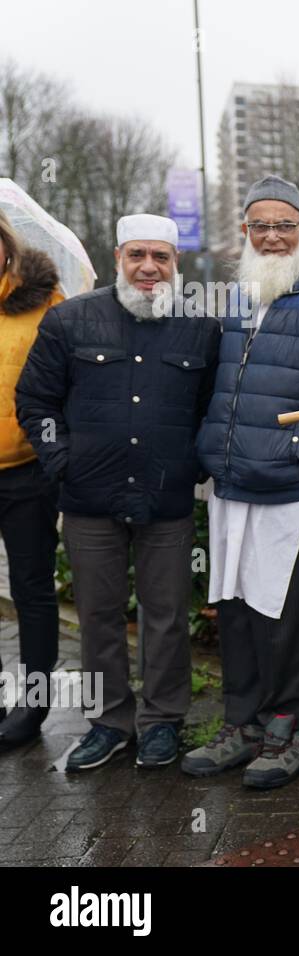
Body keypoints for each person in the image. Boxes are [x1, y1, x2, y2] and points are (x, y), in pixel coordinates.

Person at [184, 175, 299, 789]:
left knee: (287, 622)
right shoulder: (237, 292)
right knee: (235, 614)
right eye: (259, 224)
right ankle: (242, 725)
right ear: (245, 231)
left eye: (283, 224)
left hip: (293, 495)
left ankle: (294, 733)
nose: (270, 235)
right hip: (232, 489)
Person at [16, 214, 220, 770]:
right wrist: (63, 462)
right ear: (118, 258)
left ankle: (162, 722)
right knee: (98, 613)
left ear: (175, 264)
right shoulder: (69, 320)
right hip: (88, 498)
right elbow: (36, 403)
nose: (148, 268)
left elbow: (211, 409)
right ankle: (110, 721)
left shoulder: (201, 328)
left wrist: (192, 465)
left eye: (160, 257)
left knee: (166, 613)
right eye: (137, 255)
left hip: (166, 497)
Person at [0, 210, 63, 751]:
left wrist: (55, 451)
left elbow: (73, 376)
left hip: (27, 472)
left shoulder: (44, 299)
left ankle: (32, 708)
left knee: (33, 591)